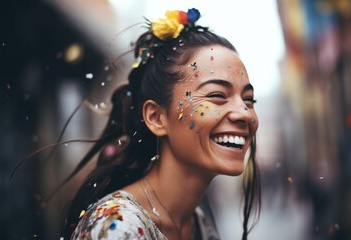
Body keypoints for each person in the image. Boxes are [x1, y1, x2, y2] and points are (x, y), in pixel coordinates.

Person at [62, 8, 261, 240]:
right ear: (156, 118)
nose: (245, 114)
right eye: (217, 95)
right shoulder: (116, 229)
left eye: (249, 99)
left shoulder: (196, 221)